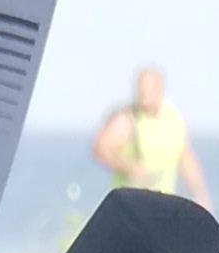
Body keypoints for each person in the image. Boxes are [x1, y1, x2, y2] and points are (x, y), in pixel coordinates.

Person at [89, 66, 209, 209]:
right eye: (141, 88)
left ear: (160, 89)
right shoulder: (127, 119)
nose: (144, 94)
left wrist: (200, 193)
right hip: (130, 204)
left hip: (163, 203)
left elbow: (184, 157)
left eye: (149, 89)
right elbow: (100, 149)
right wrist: (130, 168)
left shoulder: (173, 118)